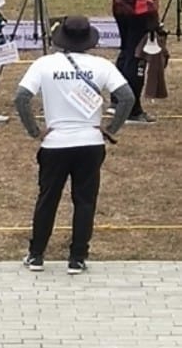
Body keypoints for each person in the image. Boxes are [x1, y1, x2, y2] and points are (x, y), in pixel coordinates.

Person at [14, 15, 134, 274]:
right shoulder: (102, 65)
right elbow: (126, 97)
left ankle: (36, 255)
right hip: (90, 143)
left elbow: (21, 98)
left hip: (55, 143)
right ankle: (77, 257)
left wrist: (35, 131)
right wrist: (110, 130)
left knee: (47, 199)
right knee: (85, 200)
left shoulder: (44, 64)